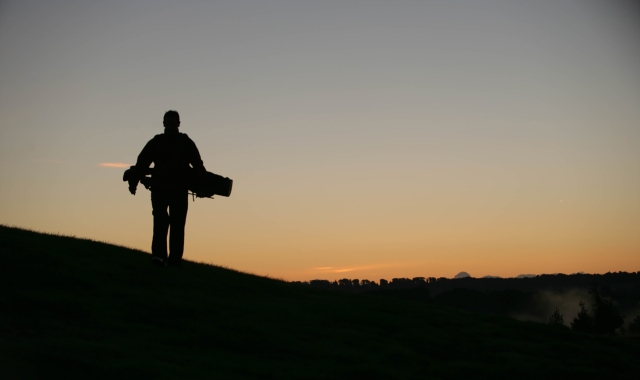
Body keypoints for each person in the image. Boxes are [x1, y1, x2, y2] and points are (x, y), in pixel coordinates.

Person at [128, 110, 206, 267]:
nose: (170, 126)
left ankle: (174, 260)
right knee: (160, 223)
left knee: (177, 225)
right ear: (164, 124)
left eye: (173, 123)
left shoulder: (186, 142)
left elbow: (198, 165)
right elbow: (142, 163)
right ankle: (158, 257)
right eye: (168, 123)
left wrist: (202, 185)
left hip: (179, 190)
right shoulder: (156, 142)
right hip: (159, 190)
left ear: (178, 124)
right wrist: (133, 182)